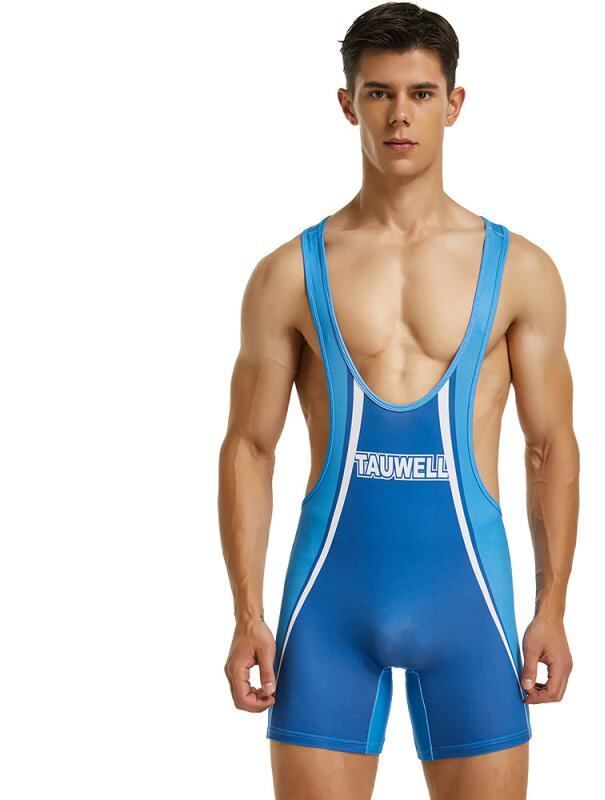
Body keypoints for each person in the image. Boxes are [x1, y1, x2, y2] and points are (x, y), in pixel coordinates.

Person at [218, 3, 579, 798]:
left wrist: (552, 607)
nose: (400, 115)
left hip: (471, 607)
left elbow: (549, 446)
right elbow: (250, 447)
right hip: (328, 612)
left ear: (454, 103)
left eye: (420, 93)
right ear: (348, 105)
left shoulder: (521, 271)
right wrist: (247, 614)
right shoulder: (287, 274)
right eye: (379, 93)